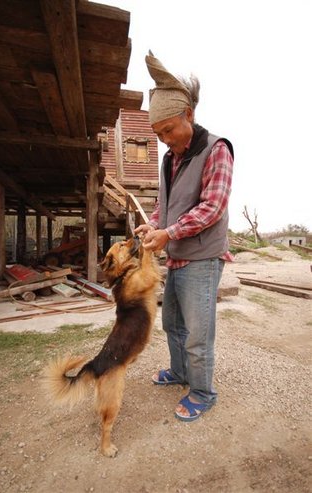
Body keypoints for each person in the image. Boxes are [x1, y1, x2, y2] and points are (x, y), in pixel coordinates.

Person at [134, 52, 234, 422]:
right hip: (176, 254)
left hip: (202, 258)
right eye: (158, 134)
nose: (164, 140)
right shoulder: (169, 159)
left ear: (188, 115)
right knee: (172, 323)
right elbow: (167, 204)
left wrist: (169, 232)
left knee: (197, 332)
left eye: (169, 130)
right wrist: (154, 224)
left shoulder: (217, 149)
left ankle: (203, 391)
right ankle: (179, 374)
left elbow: (212, 207)